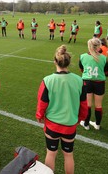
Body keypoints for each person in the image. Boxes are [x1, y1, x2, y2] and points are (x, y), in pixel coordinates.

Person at [36, 45, 87, 174]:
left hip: (52, 125)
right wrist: (79, 119)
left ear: (55, 61)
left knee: (51, 153)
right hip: (70, 124)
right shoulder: (79, 81)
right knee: (68, 155)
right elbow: (84, 105)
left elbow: (42, 103)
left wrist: (39, 115)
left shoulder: (47, 80)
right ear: (69, 62)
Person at [78, 38, 108, 131]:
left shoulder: (83, 56)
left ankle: (86, 124)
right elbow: (106, 71)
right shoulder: (104, 58)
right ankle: (97, 125)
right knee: (98, 105)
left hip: (87, 82)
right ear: (99, 46)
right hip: (99, 83)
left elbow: (81, 69)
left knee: (88, 104)